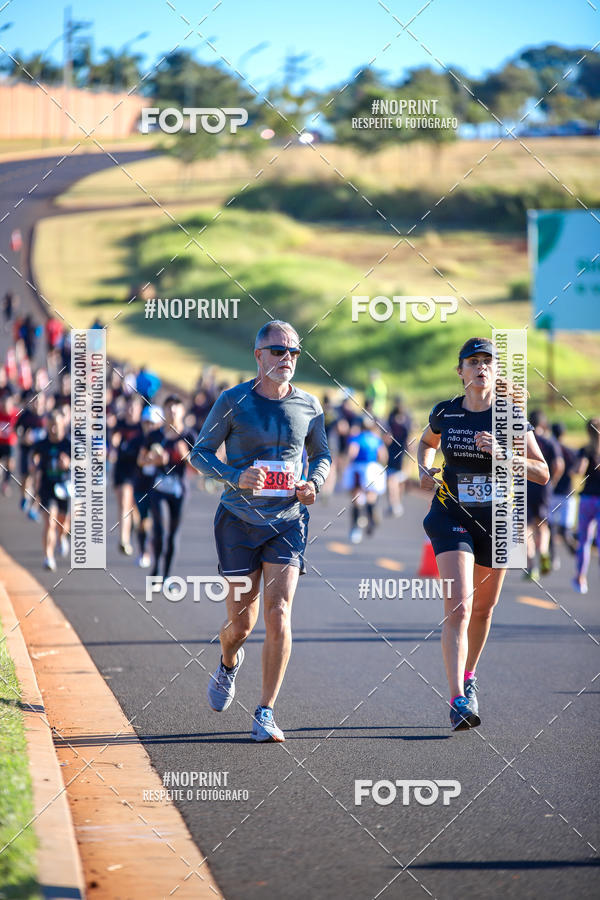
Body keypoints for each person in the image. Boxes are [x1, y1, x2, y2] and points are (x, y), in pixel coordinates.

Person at [190, 320, 331, 742]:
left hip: (287, 522)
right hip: (237, 522)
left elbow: (322, 454)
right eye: (278, 351)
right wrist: (236, 477)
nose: (287, 358)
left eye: (293, 352)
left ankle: (265, 711)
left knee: (279, 612)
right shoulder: (234, 401)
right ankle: (228, 662)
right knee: (241, 625)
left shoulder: (309, 405)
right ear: (258, 355)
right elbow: (199, 454)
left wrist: (314, 484)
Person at [417, 337, 549, 731]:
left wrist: (502, 453)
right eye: (473, 361)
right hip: (451, 514)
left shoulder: (509, 418)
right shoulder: (446, 412)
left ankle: (470, 675)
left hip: (501, 520)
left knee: (484, 609)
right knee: (459, 604)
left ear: (494, 370)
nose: (481, 367)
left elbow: (542, 472)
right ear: (460, 371)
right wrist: (424, 469)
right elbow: (426, 443)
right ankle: (458, 698)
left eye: (487, 361)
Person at [139, 395, 195, 580]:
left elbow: (200, 470)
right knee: (160, 530)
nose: (172, 410)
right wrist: (154, 460)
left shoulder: (189, 436)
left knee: (172, 534)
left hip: (179, 491)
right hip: (159, 489)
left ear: (182, 411)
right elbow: (141, 460)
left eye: (176, 407)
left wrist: (185, 456)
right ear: (163, 410)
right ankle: (155, 569)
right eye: (169, 406)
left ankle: (167, 577)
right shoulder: (155, 435)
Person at [31, 410, 71, 570]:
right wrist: (33, 465)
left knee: (63, 522)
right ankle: (48, 556)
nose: (53, 429)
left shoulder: (69, 444)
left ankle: (62, 537)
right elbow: (33, 458)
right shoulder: (42, 444)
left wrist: (69, 464)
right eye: (51, 425)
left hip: (66, 487)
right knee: (49, 520)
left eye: (57, 425)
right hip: (48, 487)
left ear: (63, 425)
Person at [525, 411, 564, 579]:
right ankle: (544, 553)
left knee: (525, 529)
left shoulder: (523, 440)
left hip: (525, 488)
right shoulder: (549, 442)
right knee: (542, 525)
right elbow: (558, 464)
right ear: (544, 424)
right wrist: (552, 482)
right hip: (543, 488)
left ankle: (531, 567)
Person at [342, 417, 387, 544]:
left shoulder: (356, 438)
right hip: (373, 468)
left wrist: (346, 464)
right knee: (371, 497)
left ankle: (355, 528)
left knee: (356, 498)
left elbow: (352, 453)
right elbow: (383, 457)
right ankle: (371, 521)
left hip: (358, 468)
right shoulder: (376, 439)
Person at [111, 395, 143, 555]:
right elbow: (112, 441)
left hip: (136, 470)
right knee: (123, 503)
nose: (130, 411)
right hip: (121, 468)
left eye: (134, 408)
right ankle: (124, 540)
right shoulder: (120, 424)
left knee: (130, 505)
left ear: (139, 410)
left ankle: (134, 523)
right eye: (128, 407)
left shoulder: (141, 428)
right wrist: (112, 445)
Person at [132, 405, 164, 568]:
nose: (149, 426)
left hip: (158, 487)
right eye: (146, 423)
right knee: (143, 520)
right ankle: (143, 550)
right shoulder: (137, 440)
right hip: (140, 485)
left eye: (152, 423)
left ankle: (156, 551)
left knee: (158, 521)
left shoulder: (164, 440)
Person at [573, 417, 600, 595]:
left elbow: (579, 471)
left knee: (584, 540)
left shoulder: (586, 450)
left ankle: (580, 578)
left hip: (587, 500)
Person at [549, 423, 578, 561]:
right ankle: (578, 555)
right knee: (565, 531)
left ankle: (553, 558)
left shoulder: (549, 449)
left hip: (552, 492)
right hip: (567, 494)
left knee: (550, 528)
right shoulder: (571, 452)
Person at [16, 390, 47, 518]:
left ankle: (34, 507)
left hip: (41, 455)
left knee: (39, 481)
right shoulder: (25, 416)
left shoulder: (47, 417)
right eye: (35, 401)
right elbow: (17, 430)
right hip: (26, 451)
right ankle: (24, 497)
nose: (37, 404)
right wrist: (23, 437)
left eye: (39, 401)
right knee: (25, 478)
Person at [386, 396, 412, 517]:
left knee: (400, 481)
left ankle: (397, 502)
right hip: (391, 453)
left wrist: (411, 449)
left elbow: (411, 435)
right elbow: (386, 434)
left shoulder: (407, 418)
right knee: (392, 480)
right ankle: (394, 504)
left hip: (403, 454)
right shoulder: (390, 417)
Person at [0, 387, 18, 496]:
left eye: (8, 404)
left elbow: (20, 426)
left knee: (10, 464)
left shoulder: (15, 414)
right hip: (0, 443)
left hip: (10, 443)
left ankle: (6, 483)